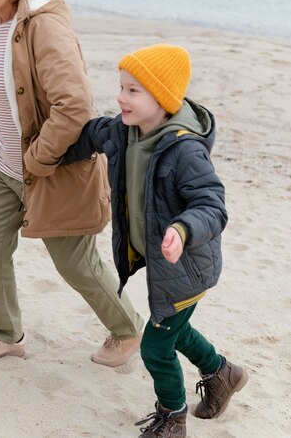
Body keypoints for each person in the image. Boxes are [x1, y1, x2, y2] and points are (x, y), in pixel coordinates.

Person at [0, 0, 144, 366]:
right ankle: (6, 333)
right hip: (5, 168)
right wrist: (5, 161)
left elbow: (74, 105)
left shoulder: (44, 26)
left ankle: (127, 329)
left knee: (76, 264)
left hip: (51, 170)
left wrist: (38, 158)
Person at [63, 44, 248, 437]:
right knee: (176, 330)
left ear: (162, 99)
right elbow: (90, 135)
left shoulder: (185, 150)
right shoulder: (122, 130)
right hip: (160, 259)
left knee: (156, 346)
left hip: (187, 265)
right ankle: (221, 372)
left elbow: (212, 205)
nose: (120, 97)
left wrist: (182, 230)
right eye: (121, 87)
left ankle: (172, 416)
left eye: (133, 91)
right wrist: (53, 155)